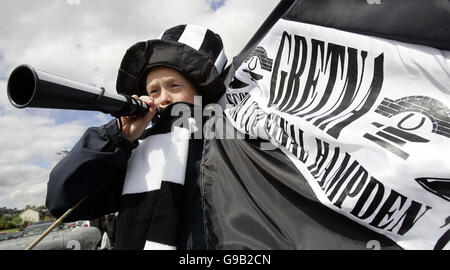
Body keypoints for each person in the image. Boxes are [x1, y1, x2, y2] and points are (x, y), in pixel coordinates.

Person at [46, 24, 228, 250]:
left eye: (174, 86)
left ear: (200, 92)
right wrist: (115, 138)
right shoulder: (133, 152)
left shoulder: (227, 144)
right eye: (154, 91)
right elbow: (61, 202)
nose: (164, 98)